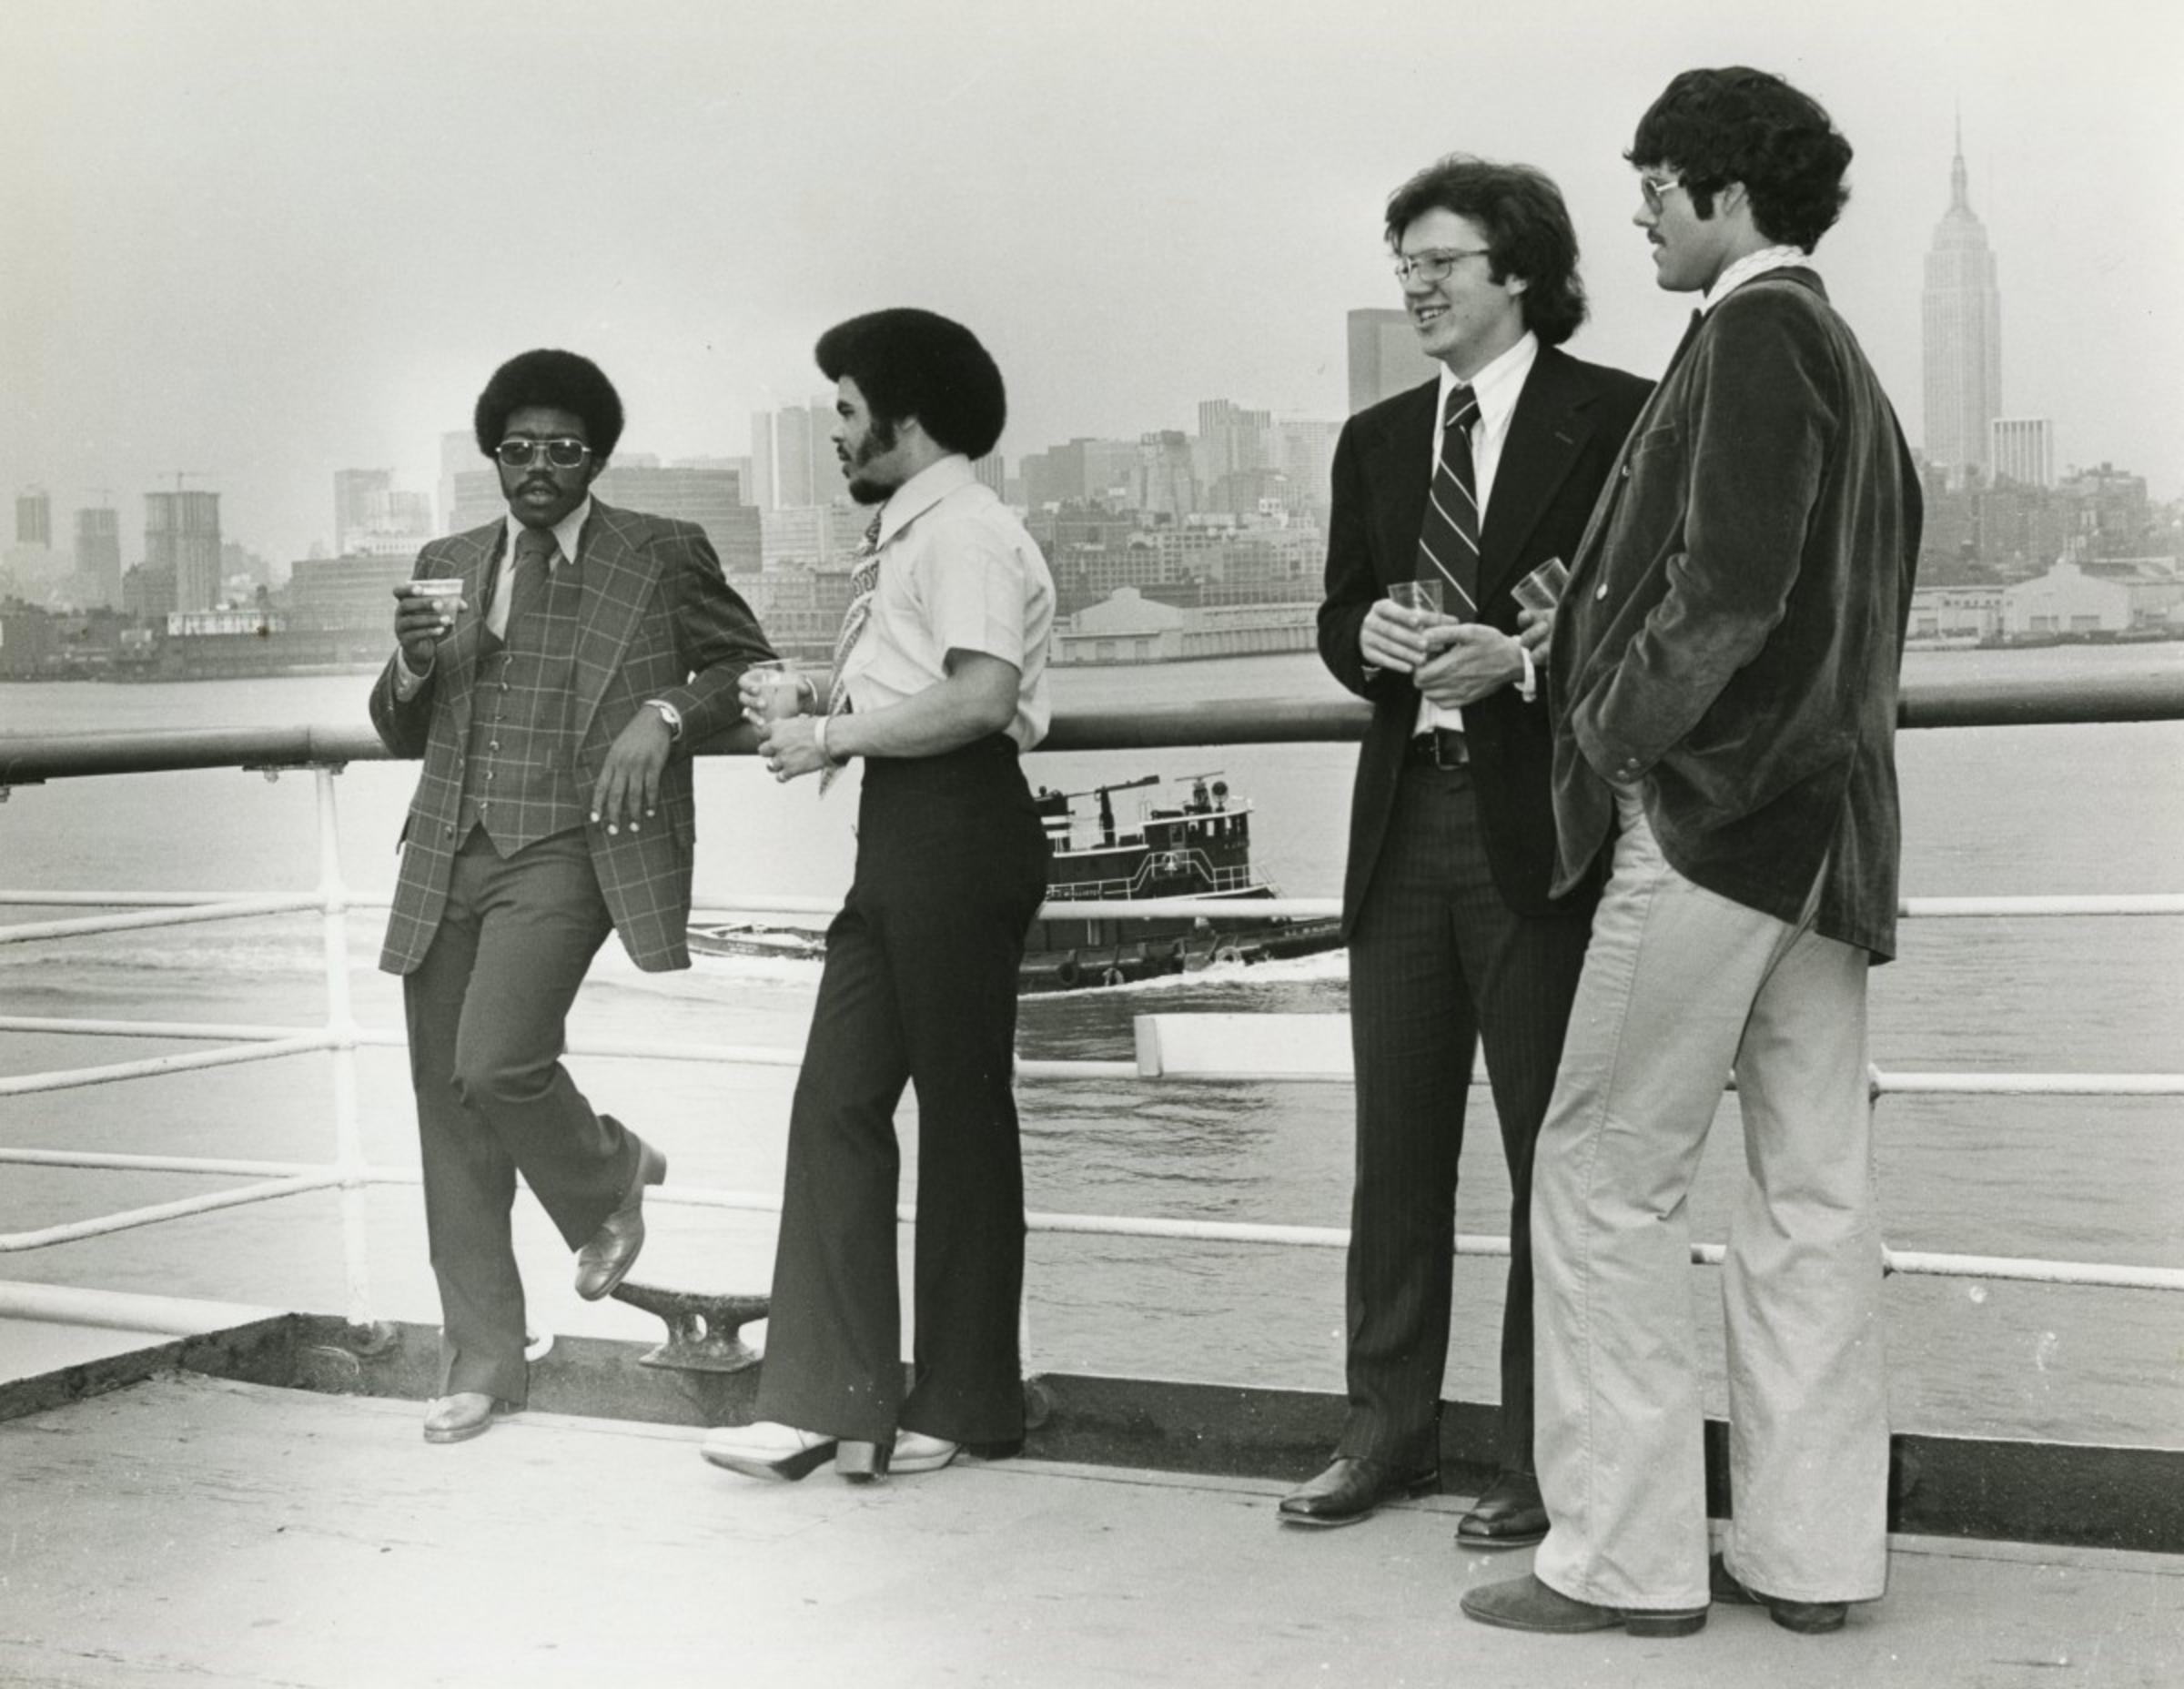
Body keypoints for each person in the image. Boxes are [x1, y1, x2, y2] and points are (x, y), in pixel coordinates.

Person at [1461, 69, 1921, 1638]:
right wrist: (1577, 627)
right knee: (1808, 1195)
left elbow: (1725, 591)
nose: (1640, 212)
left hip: (1718, 829)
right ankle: (1809, 1555)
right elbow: (1808, 601)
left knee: (1598, 1170)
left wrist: (1602, 729)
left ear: (1722, 191)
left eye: (1653, 184)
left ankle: (1626, 1559)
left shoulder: (1750, 334)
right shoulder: (1846, 356)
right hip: (1829, 847)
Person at [1294, 157, 1649, 1539]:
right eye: (1404, 261)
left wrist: (1525, 658)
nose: (1416, 284)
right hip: (1403, 830)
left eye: (1441, 260)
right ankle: (1382, 1437)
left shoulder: (1617, 418)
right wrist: (1365, 643)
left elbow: (1637, 612)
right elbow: (1335, 615)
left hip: (1539, 832)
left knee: (1543, 1154)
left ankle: (1538, 1462)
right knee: (1396, 1156)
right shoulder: (1378, 438)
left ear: (1520, 271)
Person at [370, 348, 774, 1445]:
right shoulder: (448, 559)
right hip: (448, 849)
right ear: (492, 454)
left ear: (594, 456)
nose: (537, 467)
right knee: (449, 1111)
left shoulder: (659, 552)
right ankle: (484, 1365)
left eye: (561, 449)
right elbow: (400, 727)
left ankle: (607, 1179)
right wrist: (408, 667)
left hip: (569, 852)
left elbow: (751, 666)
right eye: (517, 448)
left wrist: (670, 715)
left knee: (496, 1059)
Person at [700, 309, 1055, 1483]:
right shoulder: (914, 536)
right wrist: (812, 687)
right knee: (838, 1100)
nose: (838, 435)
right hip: (909, 831)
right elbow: (924, 671)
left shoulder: (963, 534)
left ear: (909, 418)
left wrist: (830, 734)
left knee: (958, 1118)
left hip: (955, 823)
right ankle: (824, 1395)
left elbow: (980, 697)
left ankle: (961, 1396)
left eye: (849, 411)